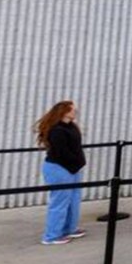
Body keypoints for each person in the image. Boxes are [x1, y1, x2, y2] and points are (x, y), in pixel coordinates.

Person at [35, 100, 86, 245]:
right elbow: (61, 152)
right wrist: (74, 163)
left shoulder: (71, 127)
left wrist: (78, 163)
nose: (75, 112)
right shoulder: (56, 130)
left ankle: (70, 228)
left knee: (73, 199)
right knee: (60, 201)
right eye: (72, 110)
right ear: (63, 112)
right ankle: (51, 235)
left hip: (74, 168)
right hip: (59, 168)